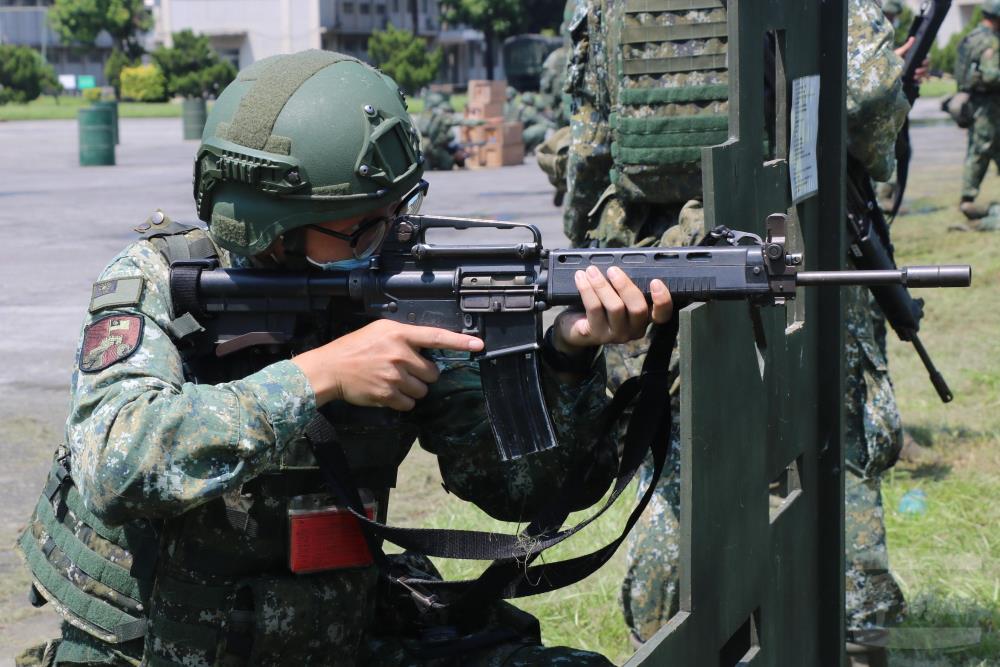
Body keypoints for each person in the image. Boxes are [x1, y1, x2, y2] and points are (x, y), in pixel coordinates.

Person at [15, 50, 673, 667]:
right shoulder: (158, 281)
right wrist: (321, 375)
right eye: (362, 223)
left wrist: (567, 354)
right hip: (162, 649)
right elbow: (115, 463)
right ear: (272, 227)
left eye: (398, 210)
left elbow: (515, 489)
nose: (390, 234)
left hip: (332, 632)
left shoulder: (396, 286)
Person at [560, 0, 909, 662]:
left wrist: (599, 245)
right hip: (800, 248)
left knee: (676, 456)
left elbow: (589, 147)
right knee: (828, 451)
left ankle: (675, 629)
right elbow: (869, 101)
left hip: (660, 268)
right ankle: (850, 636)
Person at [955, 0, 1000, 221]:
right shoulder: (990, 40)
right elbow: (992, 76)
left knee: (982, 148)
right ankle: (968, 200)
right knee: (981, 149)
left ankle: (968, 198)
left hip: (976, 103)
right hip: (989, 107)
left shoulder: (971, 37)